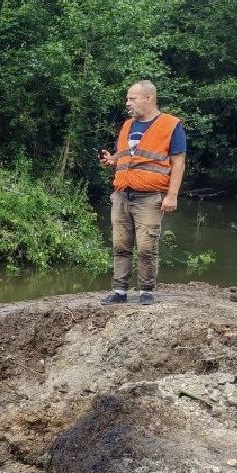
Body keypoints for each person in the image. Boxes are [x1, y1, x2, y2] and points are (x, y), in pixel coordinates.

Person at [98, 80, 187, 305]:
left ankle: (146, 291)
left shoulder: (171, 125)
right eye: (128, 98)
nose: (127, 103)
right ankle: (119, 291)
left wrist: (172, 195)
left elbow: (178, 163)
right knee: (120, 244)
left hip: (149, 196)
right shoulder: (127, 125)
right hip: (121, 193)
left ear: (148, 98)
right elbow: (128, 156)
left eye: (132, 98)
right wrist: (112, 160)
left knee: (147, 246)